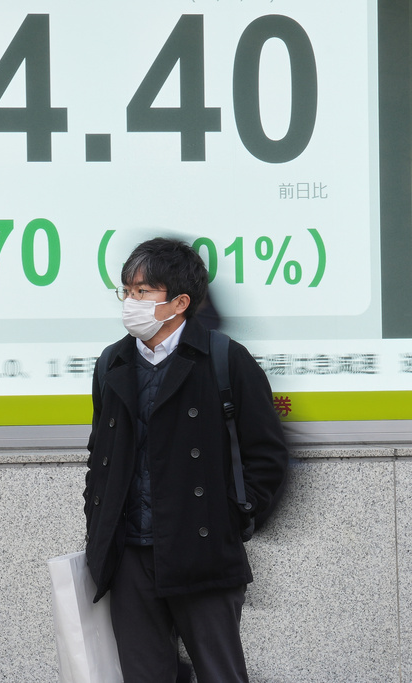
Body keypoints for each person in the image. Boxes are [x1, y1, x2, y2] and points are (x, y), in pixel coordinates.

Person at [83, 238, 288, 682]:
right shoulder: (112, 363)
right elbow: (100, 455)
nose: (130, 302)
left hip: (202, 552)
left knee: (220, 674)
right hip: (129, 555)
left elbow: (267, 453)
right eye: (126, 291)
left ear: (180, 302)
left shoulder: (223, 358)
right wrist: (98, 524)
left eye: (143, 292)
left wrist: (235, 517)